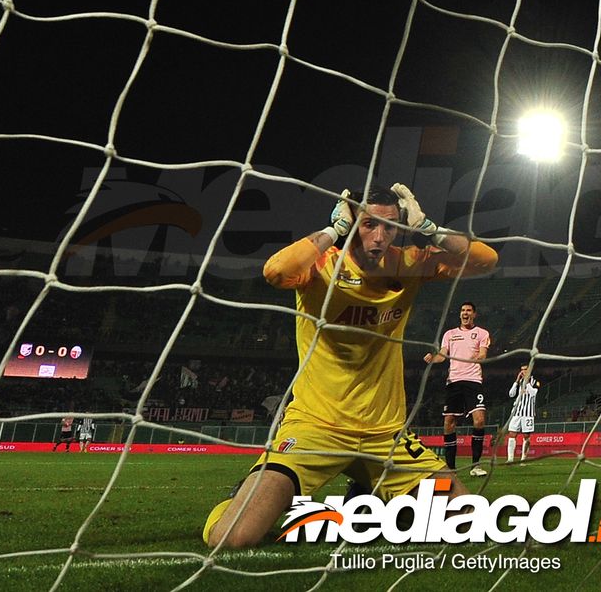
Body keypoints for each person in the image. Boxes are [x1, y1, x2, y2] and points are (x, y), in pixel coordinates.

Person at [203, 183, 498, 548]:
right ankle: (241, 498)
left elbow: (486, 261)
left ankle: (371, 494)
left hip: (384, 435)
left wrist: (428, 227)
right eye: (368, 224)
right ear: (352, 222)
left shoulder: (408, 263)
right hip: (316, 427)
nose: (379, 236)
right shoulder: (322, 266)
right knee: (233, 538)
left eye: (389, 226)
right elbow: (276, 271)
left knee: (476, 524)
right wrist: (334, 231)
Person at [426, 302, 491, 476]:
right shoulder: (450, 334)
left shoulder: (482, 333)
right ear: (460, 314)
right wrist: (433, 358)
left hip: (473, 380)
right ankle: (451, 468)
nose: (465, 313)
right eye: (463, 310)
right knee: (449, 422)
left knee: (479, 420)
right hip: (453, 381)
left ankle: (476, 466)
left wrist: (479, 356)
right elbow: (443, 355)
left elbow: (483, 353)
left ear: (474, 314)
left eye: (469, 310)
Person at [506, 364, 540, 463]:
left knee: (526, 436)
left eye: (525, 370)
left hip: (528, 413)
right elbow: (511, 394)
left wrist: (527, 382)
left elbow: (533, 393)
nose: (522, 372)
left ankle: (523, 458)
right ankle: (510, 459)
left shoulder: (535, 381)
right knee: (512, 434)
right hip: (517, 412)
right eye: (521, 370)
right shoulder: (520, 381)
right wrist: (517, 381)